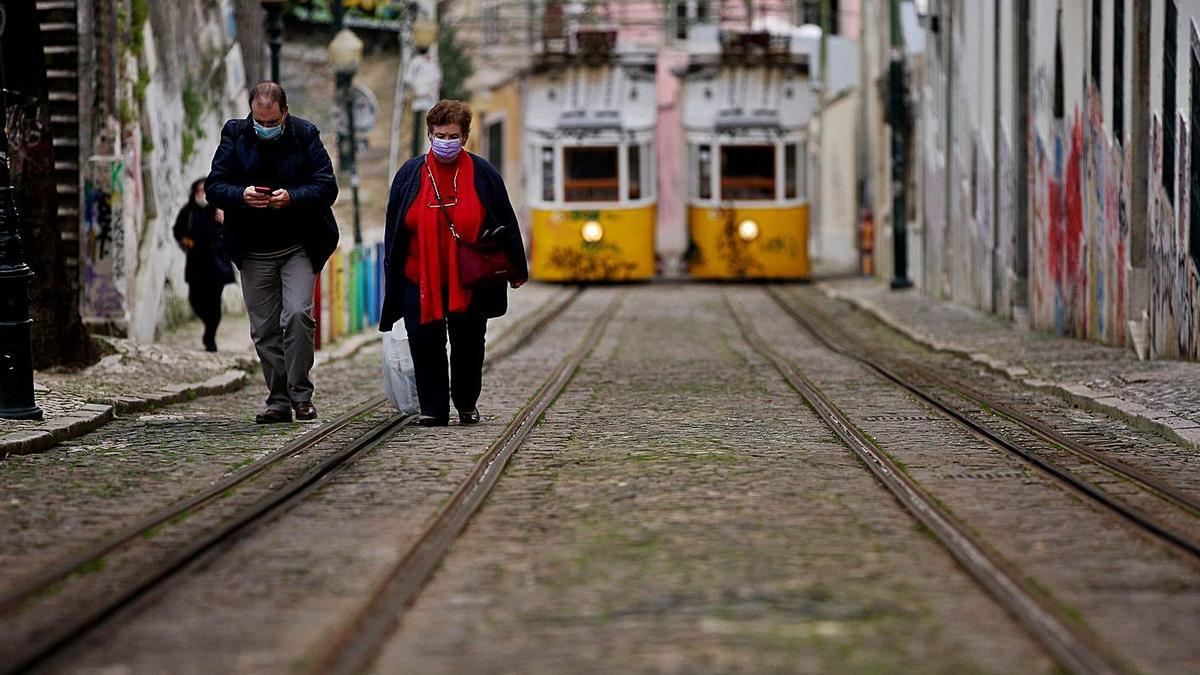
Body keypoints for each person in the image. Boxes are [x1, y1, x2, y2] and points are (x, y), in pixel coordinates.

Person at [379, 99, 528, 427]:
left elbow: (505, 217)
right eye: (440, 135)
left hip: (469, 276)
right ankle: (433, 408)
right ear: (429, 134)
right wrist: (393, 274)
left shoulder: (483, 173)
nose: (446, 141)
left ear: (465, 136)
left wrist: (516, 267)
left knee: (469, 342)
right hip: (419, 274)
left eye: (453, 135)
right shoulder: (410, 174)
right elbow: (395, 227)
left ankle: (465, 402)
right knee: (423, 338)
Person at [205, 82, 339, 424]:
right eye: (258, 121)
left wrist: (292, 197)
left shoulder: (305, 134)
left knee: (296, 315)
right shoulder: (234, 134)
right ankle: (278, 400)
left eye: (271, 121)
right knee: (264, 329)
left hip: (299, 245)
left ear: (285, 113)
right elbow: (215, 187)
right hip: (252, 249)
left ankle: (301, 395)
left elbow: (326, 186)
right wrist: (242, 194)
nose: (265, 127)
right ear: (250, 113)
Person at [173, 178, 235, 352]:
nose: (202, 194)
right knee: (195, 299)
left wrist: (224, 221)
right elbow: (178, 231)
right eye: (198, 190)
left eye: (204, 190)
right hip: (196, 263)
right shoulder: (188, 211)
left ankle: (210, 337)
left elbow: (232, 230)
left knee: (214, 301)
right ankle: (209, 326)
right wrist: (187, 242)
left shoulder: (219, 209)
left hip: (216, 263)